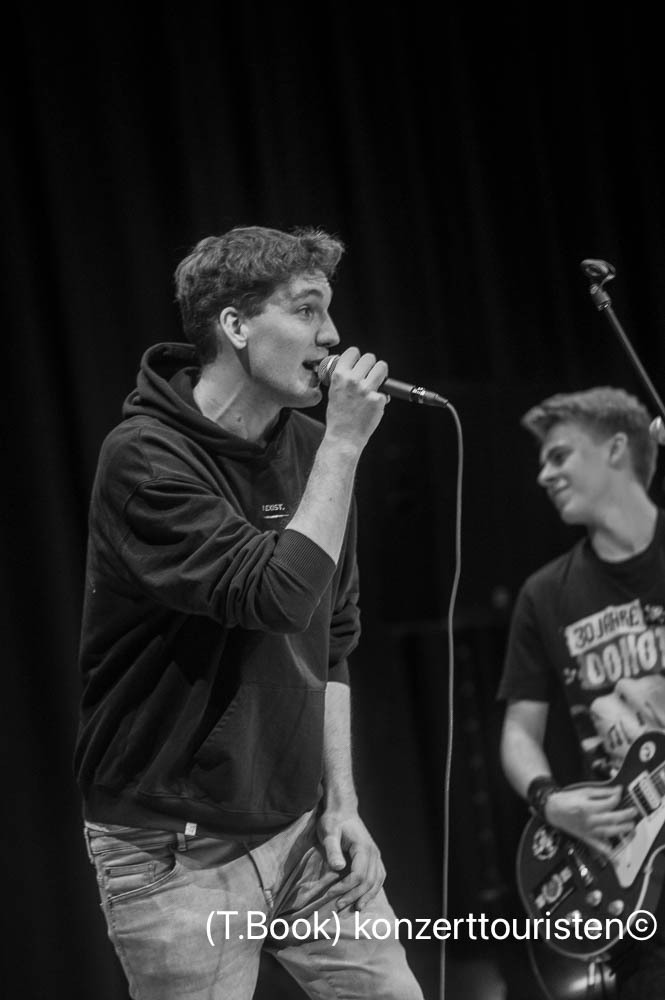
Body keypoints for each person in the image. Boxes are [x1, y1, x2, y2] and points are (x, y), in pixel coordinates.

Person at [75, 225, 424, 1000]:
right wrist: (344, 447)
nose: (332, 336)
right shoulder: (146, 459)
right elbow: (276, 597)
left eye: (328, 310)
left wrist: (342, 802)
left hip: (301, 827)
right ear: (235, 325)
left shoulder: (312, 447)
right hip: (174, 850)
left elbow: (332, 634)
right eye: (305, 310)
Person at [498, 386, 665, 999]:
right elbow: (519, 733)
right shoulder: (546, 594)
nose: (544, 475)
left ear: (617, 449)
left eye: (560, 456)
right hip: (629, 874)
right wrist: (551, 803)